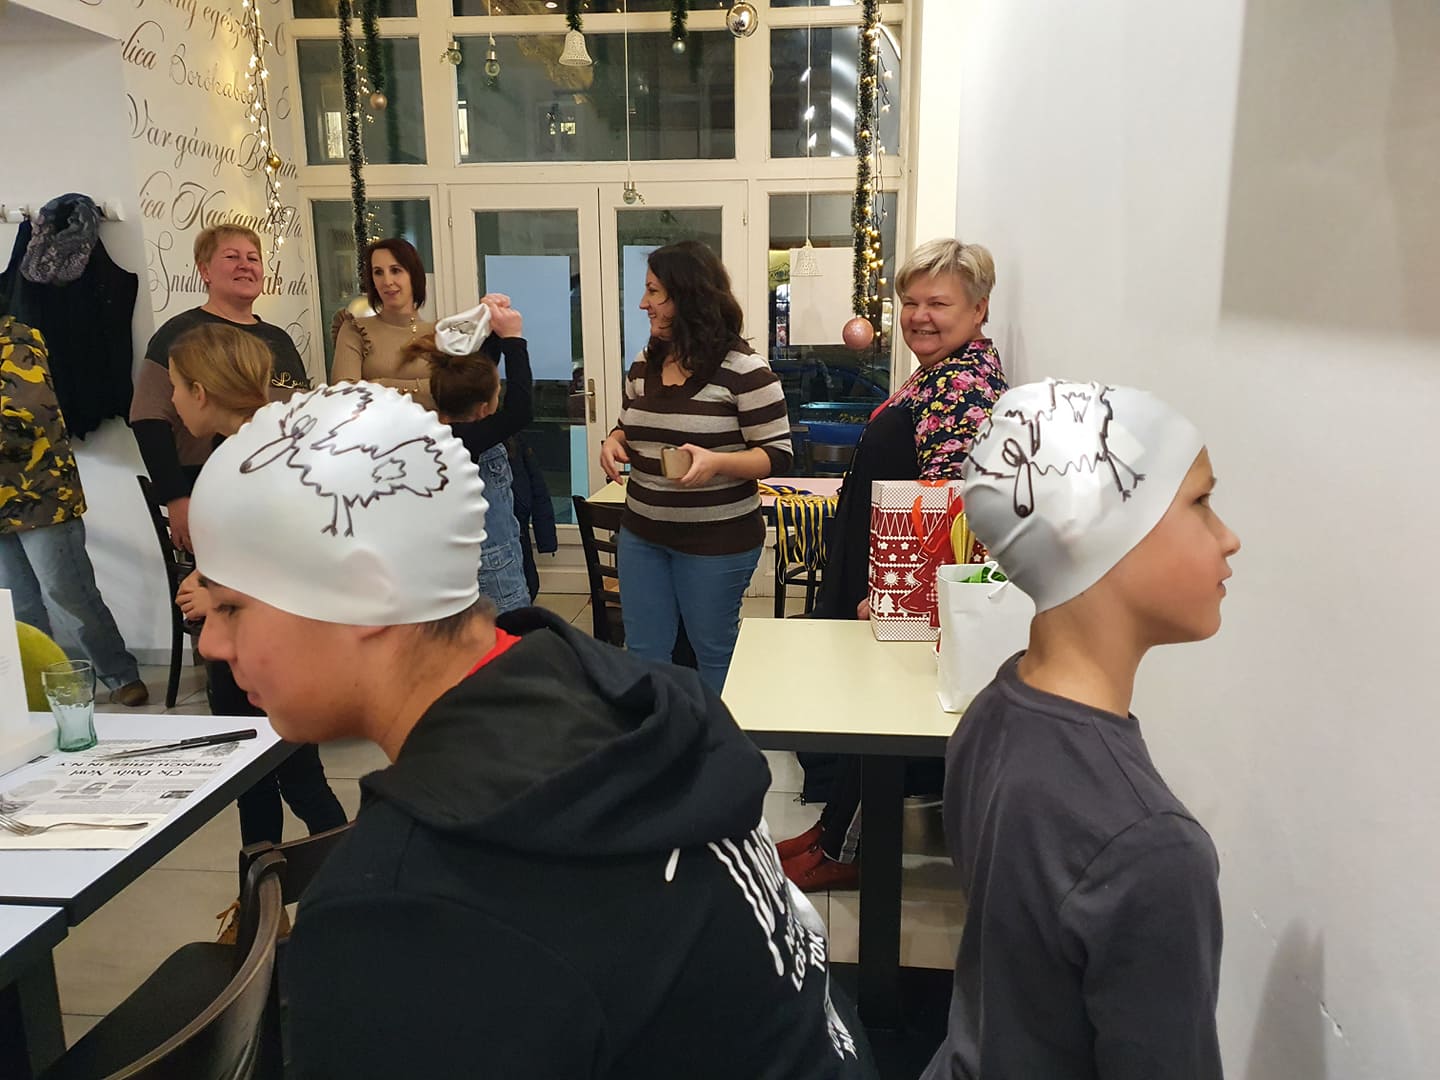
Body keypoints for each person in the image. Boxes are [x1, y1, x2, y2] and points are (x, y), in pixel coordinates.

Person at [185, 383, 875, 1079]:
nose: (210, 642)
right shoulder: (629, 694)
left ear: (366, 592)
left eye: (232, 607)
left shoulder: (397, 912)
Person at [922, 379, 1238, 1080]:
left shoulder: (994, 708)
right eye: (1200, 503)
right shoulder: (1152, 847)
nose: (1228, 538)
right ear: (1093, 533)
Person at [780, 239, 1008, 891]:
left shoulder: (965, 386)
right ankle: (832, 829)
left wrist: (895, 596)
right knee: (860, 710)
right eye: (910, 301)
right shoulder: (937, 372)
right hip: (882, 571)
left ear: (978, 309)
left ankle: (847, 849)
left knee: (877, 716)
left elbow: (952, 508)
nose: (919, 316)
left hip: (901, 586)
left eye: (939, 303)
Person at [166, 324, 346, 886]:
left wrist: (215, 593)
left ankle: (349, 883)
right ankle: (262, 902)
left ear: (200, 392)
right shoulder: (259, 449)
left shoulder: (244, 463)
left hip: (266, 649)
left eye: (175, 387)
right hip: (259, 645)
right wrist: (208, 576)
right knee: (254, 781)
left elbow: (291, 554)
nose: (172, 400)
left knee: (296, 779)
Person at [599, 240, 792, 692]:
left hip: (717, 540)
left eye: (654, 291)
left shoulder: (744, 370)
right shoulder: (645, 363)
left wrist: (717, 462)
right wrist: (613, 439)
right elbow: (629, 423)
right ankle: (660, 729)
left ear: (688, 296)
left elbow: (777, 454)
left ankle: (713, 734)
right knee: (643, 650)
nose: (643, 303)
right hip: (642, 533)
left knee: (713, 651)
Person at [130, 224, 311, 553]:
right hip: (208, 490)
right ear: (204, 271)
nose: (245, 265)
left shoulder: (280, 340)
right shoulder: (179, 335)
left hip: (277, 490)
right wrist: (177, 497)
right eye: (231, 257)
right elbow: (147, 418)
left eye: (253, 258)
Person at [0, 316, 148, 706]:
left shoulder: (15, 338)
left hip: (41, 496)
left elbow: (29, 412)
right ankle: (38, 690)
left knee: (67, 593)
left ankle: (121, 676)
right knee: (16, 603)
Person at [413, 296, 534, 614]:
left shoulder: (438, 433)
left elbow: (477, 381)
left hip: (453, 569)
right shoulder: (470, 440)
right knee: (505, 640)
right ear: (483, 409)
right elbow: (521, 411)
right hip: (492, 572)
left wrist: (489, 329)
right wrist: (513, 340)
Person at [331, 237, 437, 410]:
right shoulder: (355, 329)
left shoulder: (439, 333)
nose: (387, 281)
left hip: (433, 427)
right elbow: (344, 397)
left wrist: (381, 384)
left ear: (413, 275)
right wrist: (422, 388)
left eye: (395, 270)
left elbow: (451, 394)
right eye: (378, 272)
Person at [507, 434, 557, 602]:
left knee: (527, 585)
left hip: (517, 526)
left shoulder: (514, 439)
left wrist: (546, 539)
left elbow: (538, 489)